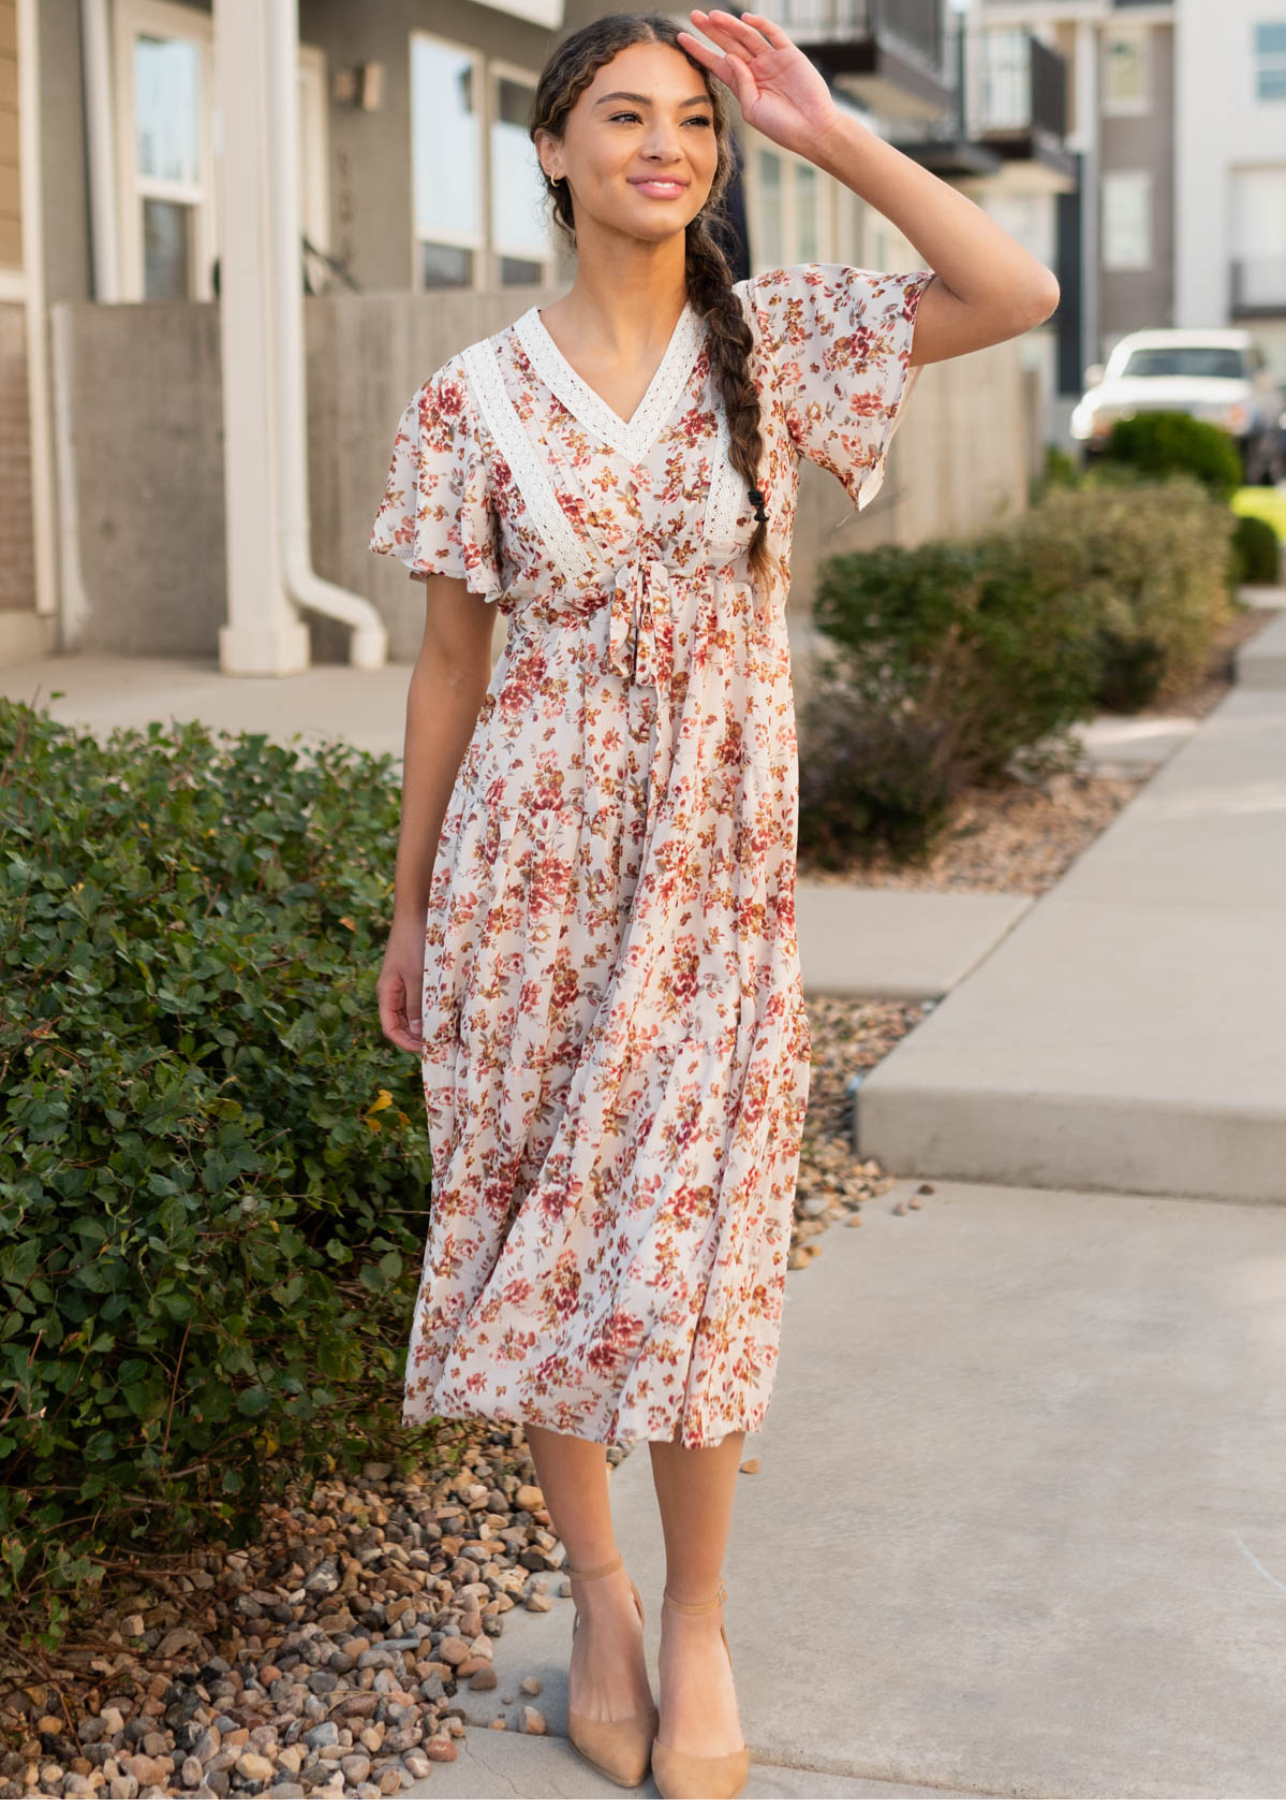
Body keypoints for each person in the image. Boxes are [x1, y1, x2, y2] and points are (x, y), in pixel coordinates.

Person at [369, 9, 1057, 1795]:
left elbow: (1012, 292)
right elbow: (450, 667)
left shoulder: (780, 336)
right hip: (526, 870)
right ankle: (597, 1595)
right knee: (543, 1229)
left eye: (692, 121)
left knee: (700, 1247)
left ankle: (696, 1616)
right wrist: (413, 908)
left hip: (715, 881)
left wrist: (822, 134)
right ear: (549, 147)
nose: (662, 143)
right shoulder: (470, 397)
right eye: (622, 115)